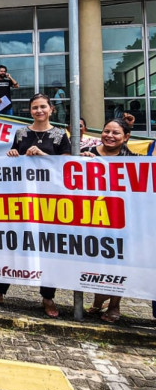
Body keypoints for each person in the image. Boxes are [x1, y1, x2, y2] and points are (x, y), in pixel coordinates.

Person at [0, 93, 70, 318]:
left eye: (43, 107)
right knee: (12, 244)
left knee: (48, 249)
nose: (39, 111)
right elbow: (15, 160)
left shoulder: (60, 135)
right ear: (30, 110)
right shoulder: (21, 133)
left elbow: (66, 165)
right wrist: (12, 154)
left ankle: (48, 297)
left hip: (49, 201)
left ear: (51, 109)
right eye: (35, 107)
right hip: (21, 199)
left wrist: (43, 154)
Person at [80, 118, 139, 323]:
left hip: (120, 222)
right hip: (92, 219)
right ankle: (98, 300)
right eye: (106, 131)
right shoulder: (88, 154)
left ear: (126, 137)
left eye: (116, 133)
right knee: (97, 264)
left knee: (118, 266)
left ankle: (114, 305)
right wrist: (80, 160)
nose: (109, 136)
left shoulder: (133, 160)